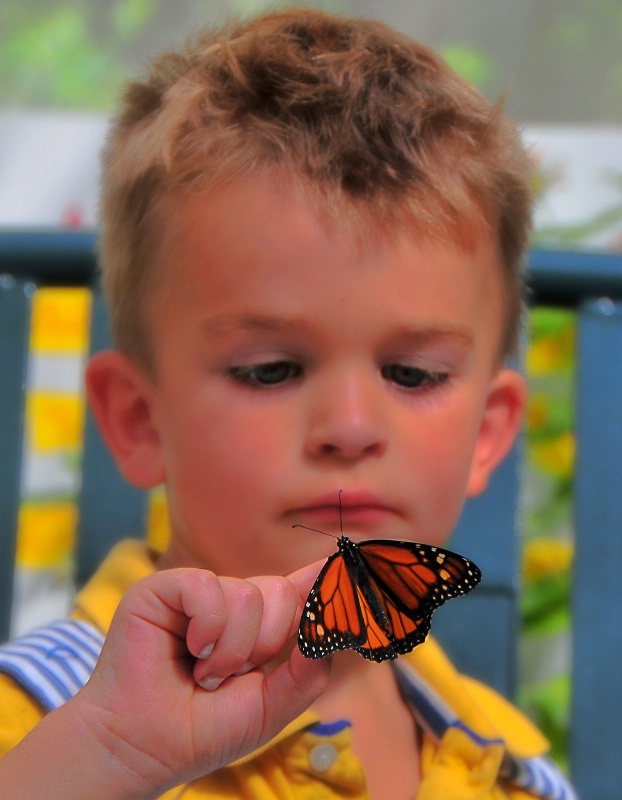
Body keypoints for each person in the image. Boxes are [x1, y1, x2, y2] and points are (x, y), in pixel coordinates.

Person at [0, 7, 576, 799]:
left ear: (487, 433)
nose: (349, 429)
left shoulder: (511, 771)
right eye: (271, 370)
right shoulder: (41, 724)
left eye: (412, 375)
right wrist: (109, 759)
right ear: (139, 420)